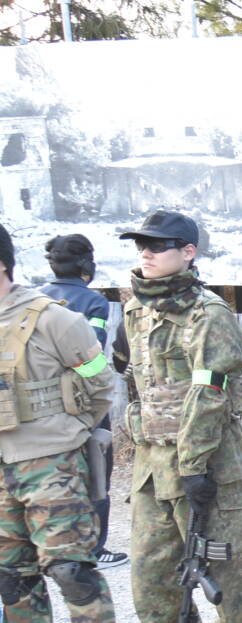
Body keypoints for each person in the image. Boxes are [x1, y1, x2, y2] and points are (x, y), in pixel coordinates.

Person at [118, 210, 242, 623]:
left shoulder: (208, 314)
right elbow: (138, 384)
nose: (146, 252)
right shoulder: (135, 310)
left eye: (158, 245)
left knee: (224, 569)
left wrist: (194, 464)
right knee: (150, 573)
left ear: (188, 252)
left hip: (206, 465)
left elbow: (211, 392)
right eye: (141, 244)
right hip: (151, 466)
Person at [0, 223, 123, 623]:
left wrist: (70, 433)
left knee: (69, 566)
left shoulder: (55, 320)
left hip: (50, 460)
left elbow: (100, 382)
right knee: (10, 570)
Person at [39, 234, 127, 569]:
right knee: (97, 474)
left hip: (44, 406)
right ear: (86, 264)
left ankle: (53, 547)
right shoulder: (94, 303)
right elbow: (92, 351)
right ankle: (94, 549)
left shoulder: (35, 299)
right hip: (85, 404)